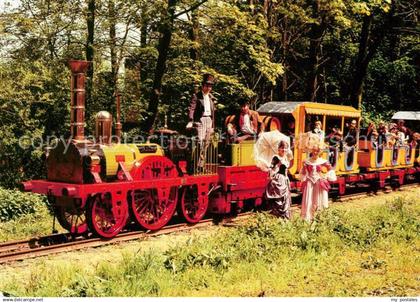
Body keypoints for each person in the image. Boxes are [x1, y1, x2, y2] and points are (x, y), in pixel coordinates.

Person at [299, 133, 337, 221]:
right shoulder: (307, 161)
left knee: (318, 199)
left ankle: (319, 217)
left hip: (319, 183)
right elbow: (303, 173)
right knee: (309, 200)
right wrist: (304, 177)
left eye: (317, 151)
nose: (315, 152)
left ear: (320, 151)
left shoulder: (323, 161)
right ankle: (308, 218)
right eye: (314, 150)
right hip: (309, 183)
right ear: (311, 150)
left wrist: (324, 176)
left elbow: (331, 170)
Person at [187, 73, 216, 171]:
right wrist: (191, 121)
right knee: (199, 143)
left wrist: (212, 126)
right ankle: (193, 165)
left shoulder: (211, 97)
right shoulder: (197, 96)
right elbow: (192, 108)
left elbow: (213, 113)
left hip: (209, 120)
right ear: (203, 85)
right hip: (200, 120)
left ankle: (201, 166)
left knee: (206, 144)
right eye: (207, 86)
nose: (208, 88)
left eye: (210, 86)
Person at [264, 140, 293, 219]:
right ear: (279, 149)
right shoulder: (276, 158)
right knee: (278, 200)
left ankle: (285, 218)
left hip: (285, 180)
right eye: (282, 148)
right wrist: (277, 166)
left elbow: (288, 169)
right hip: (278, 180)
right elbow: (271, 169)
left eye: (285, 148)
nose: (284, 150)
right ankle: (278, 217)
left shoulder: (286, 158)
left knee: (286, 200)